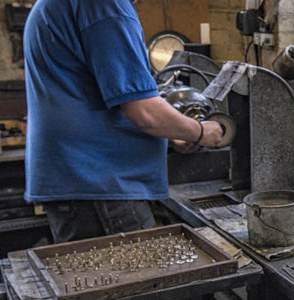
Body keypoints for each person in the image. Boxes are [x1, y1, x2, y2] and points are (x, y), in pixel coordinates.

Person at [23, 0, 224, 243]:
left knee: (91, 278)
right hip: (99, 180)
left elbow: (100, 91)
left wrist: (173, 130)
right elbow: (144, 112)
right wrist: (201, 131)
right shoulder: (106, 4)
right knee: (143, 278)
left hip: (77, 175)